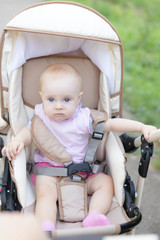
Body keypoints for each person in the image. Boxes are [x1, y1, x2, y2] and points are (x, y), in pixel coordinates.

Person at [2, 63, 157, 232]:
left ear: (78, 98)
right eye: (51, 99)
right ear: (42, 96)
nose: (58, 106)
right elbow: (28, 132)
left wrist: (141, 127)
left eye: (66, 99)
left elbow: (112, 124)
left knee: (106, 183)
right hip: (48, 171)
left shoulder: (84, 118)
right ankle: (45, 225)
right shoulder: (41, 116)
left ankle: (94, 216)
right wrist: (18, 141)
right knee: (45, 194)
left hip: (83, 173)